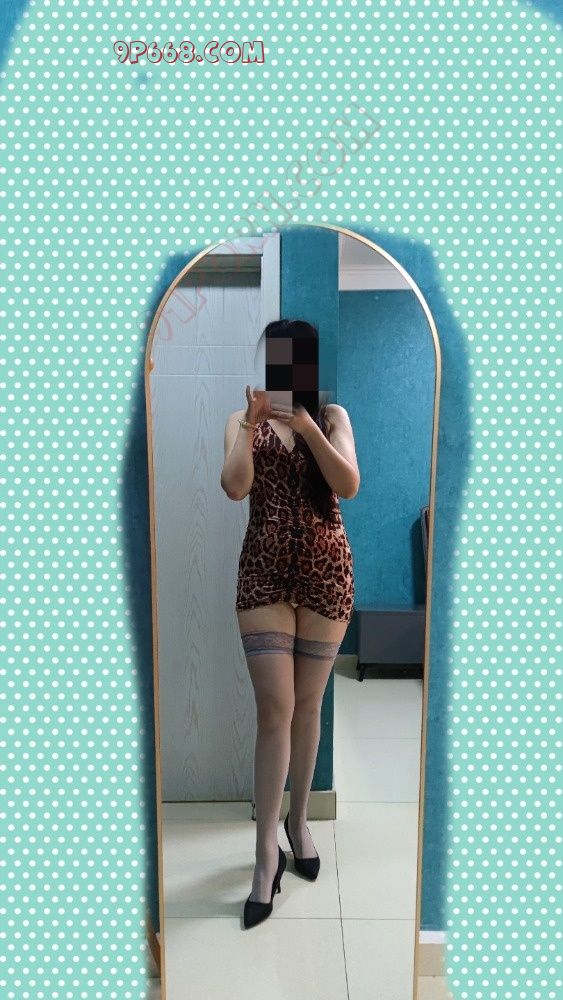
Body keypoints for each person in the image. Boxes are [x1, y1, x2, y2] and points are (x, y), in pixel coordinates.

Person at [220, 319, 360, 929]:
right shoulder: (242, 419)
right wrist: (251, 425)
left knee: (308, 707)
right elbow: (234, 487)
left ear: (310, 366)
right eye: (278, 360)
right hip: (265, 576)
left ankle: (298, 822)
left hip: (326, 575)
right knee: (274, 711)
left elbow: (348, 484)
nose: (287, 371)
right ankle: (263, 858)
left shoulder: (332, 417)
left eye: (297, 361)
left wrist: (307, 427)